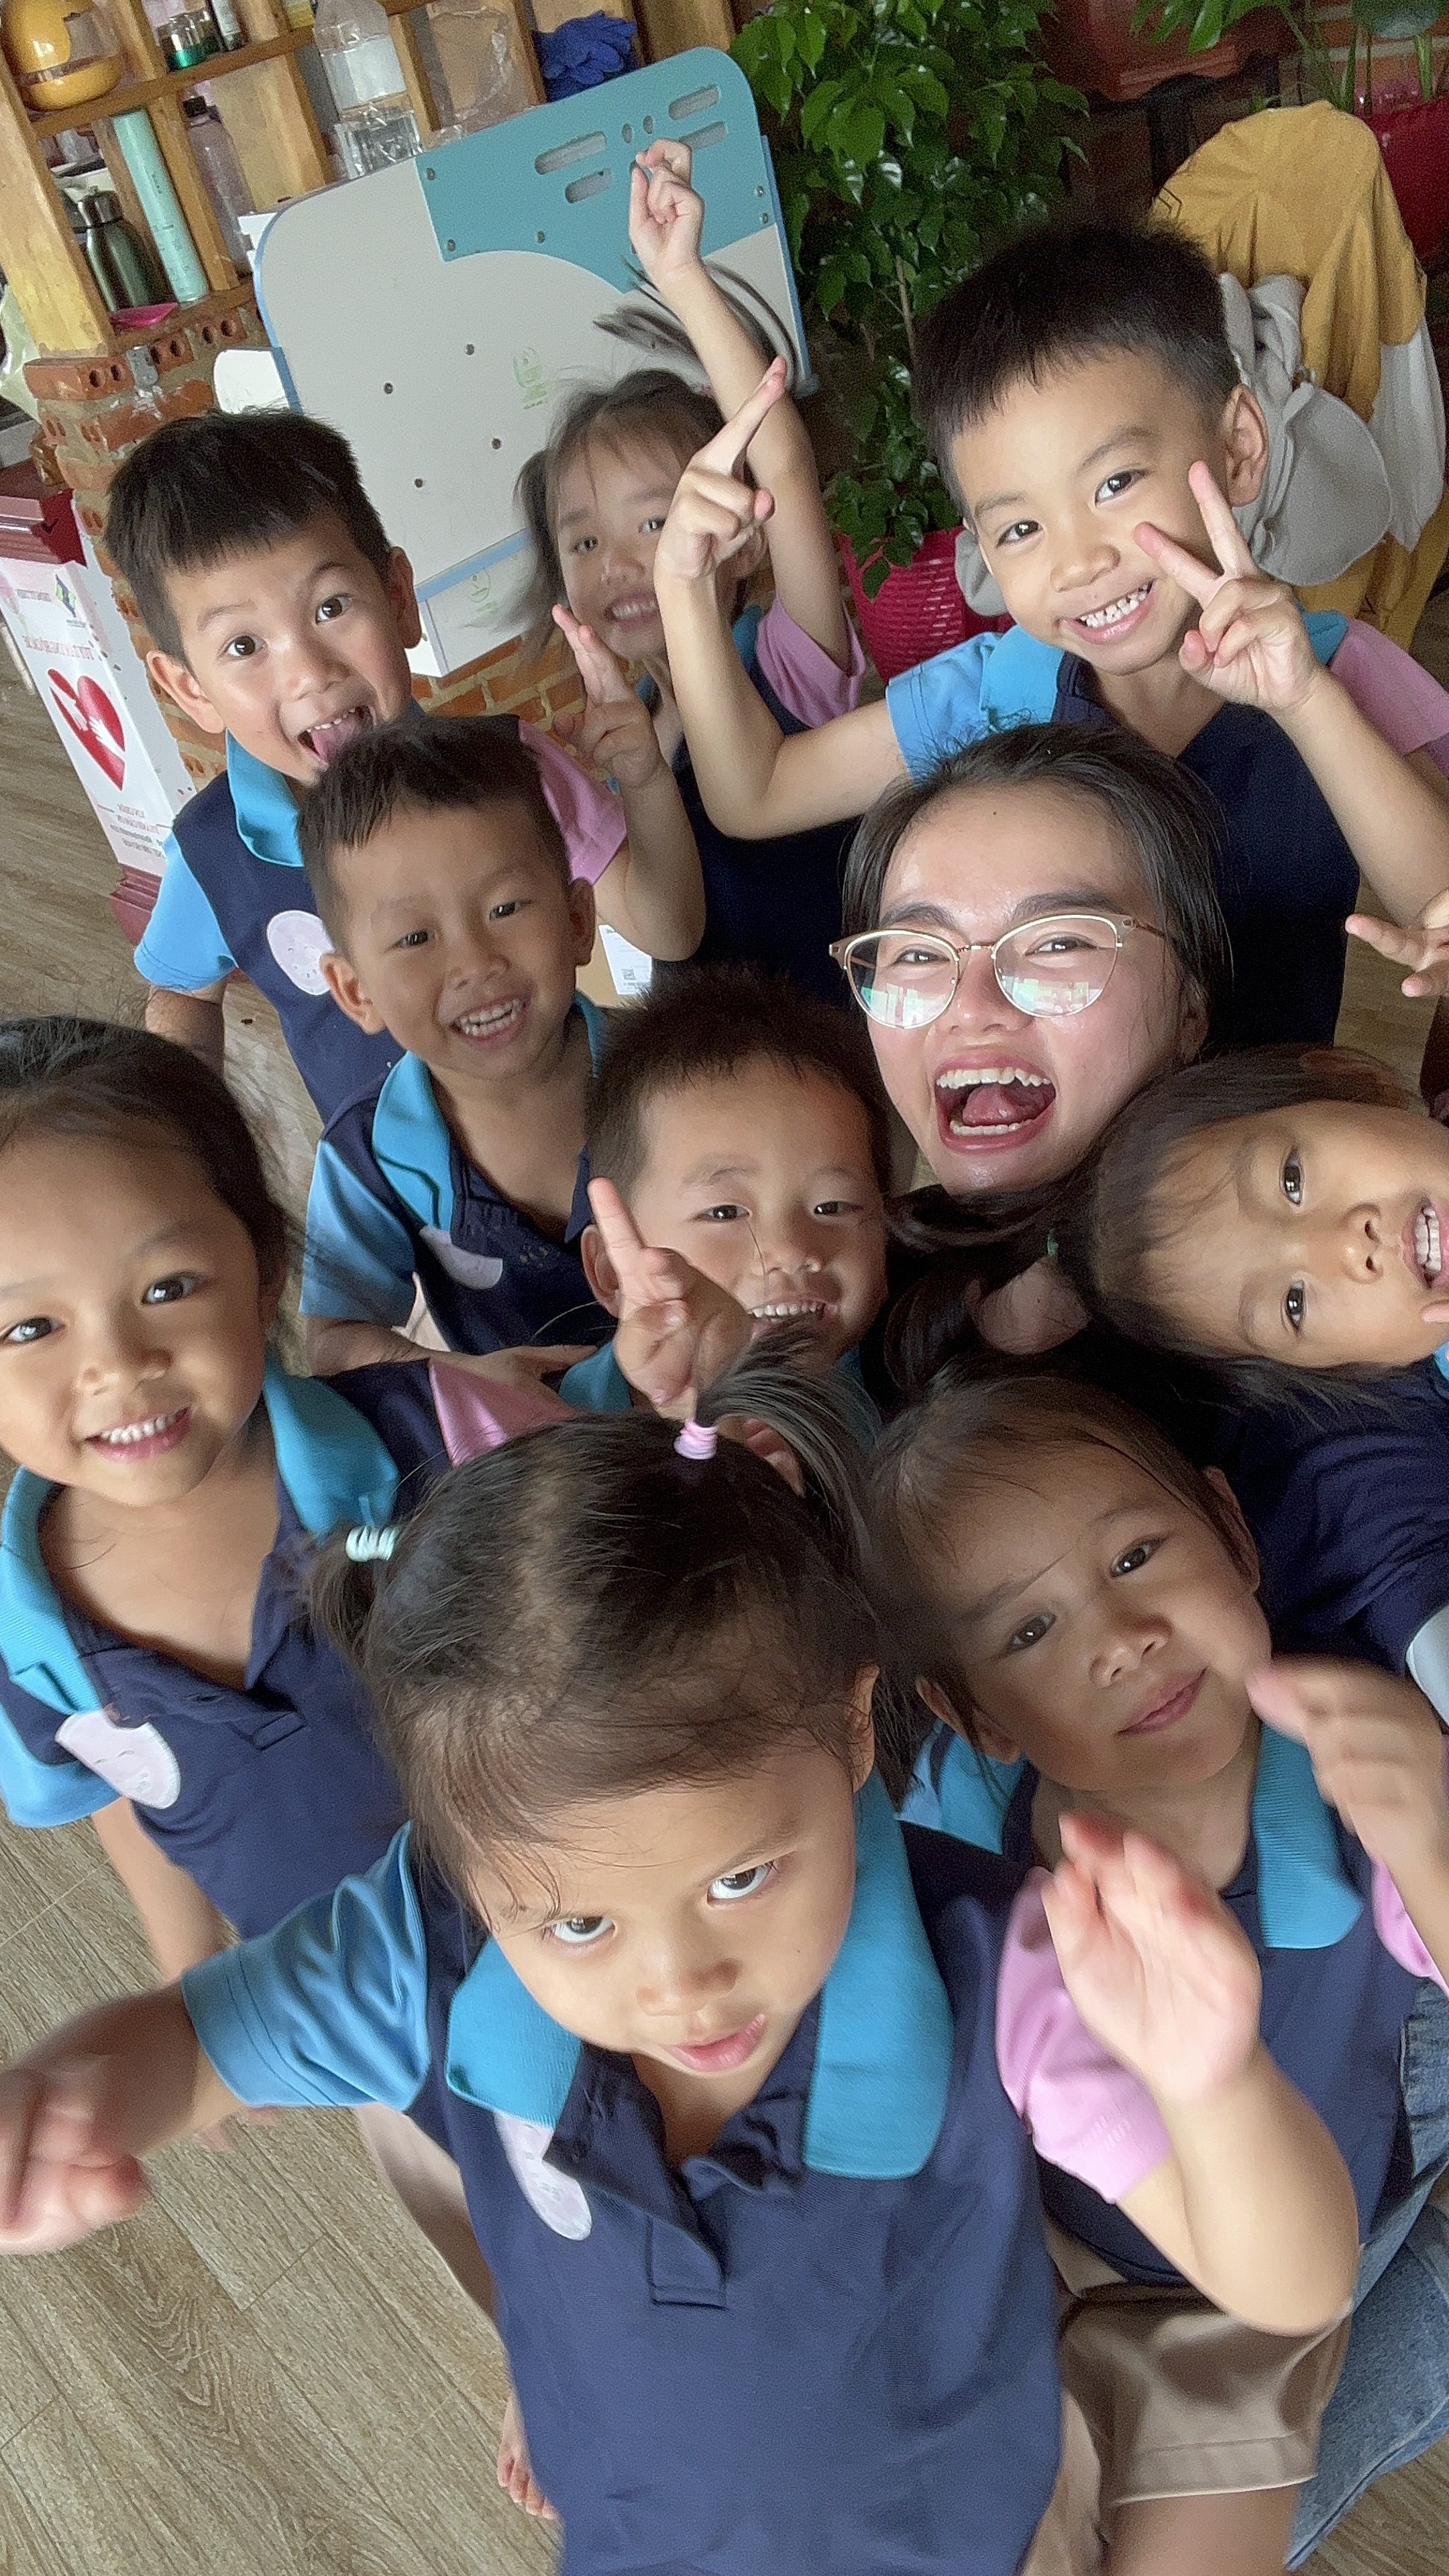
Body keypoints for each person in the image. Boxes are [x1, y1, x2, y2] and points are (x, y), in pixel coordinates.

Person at [0, 1368, 1358, 2576]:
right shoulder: (431, 1942)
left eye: (739, 1879)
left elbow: (1290, 2288)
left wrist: (1215, 2080)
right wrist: (66, 2097)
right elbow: (194, 2042)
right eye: (579, 1927)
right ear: (460, 1863)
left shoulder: (996, 1972)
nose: (685, 1982)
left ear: (844, 1730)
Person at [0, 1013, 549, 2298]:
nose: (119, 1366)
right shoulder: (33, 1639)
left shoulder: (435, 1445)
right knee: (448, 2164)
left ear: (263, 1268)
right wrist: (192, 1962)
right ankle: (543, 2341)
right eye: (29, 1331)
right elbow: (123, 1794)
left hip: (585, 1905)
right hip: (356, 1986)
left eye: (166, 1287)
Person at [871, 1369, 1449, 2574]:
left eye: (1135, 1556)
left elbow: (1283, 2287)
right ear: (976, 1716)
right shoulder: (979, 1853)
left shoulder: (1356, 1774)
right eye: (1030, 1632)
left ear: (1233, 1535)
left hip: (1243, 2305)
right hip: (1015, 2253)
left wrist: (1434, 1837)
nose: (1122, 1640)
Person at [653, 217, 1449, 1051]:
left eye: (1115, 482)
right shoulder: (1003, 694)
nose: (1079, 561)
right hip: (1081, 1164)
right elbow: (754, 793)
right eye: (1021, 530)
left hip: (1274, 1154)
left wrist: (1308, 705)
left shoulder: (1341, 673)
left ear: (1240, 445)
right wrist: (682, 587)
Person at [105, 409, 702, 1122]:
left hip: (584, 1160)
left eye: (331, 607)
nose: (309, 672)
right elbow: (179, 991)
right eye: (243, 647)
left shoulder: (512, 771)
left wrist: (642, 778)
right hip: (396, 1216)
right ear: (188, 688)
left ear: (397, 600)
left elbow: (669, 930)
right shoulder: (212, 852)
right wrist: (195, 1144)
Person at [516, 140, 865, 1002]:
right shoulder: (624, 736)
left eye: (655, 521)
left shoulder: (790, 668)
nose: (624, 563)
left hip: (860, 1058)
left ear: (745, 537)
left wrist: (680, 275)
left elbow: (780, 459)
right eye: (585, 543)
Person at [297, 715, 612, 1374]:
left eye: (506, 909)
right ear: (357, 992)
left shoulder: (674, 1071)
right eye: (416, 938)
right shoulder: (367, 1160)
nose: (474, 963)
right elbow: (333, 1338)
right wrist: (462, 1379)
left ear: (578, 921)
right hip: (538, 1456)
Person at [559, 963, 890, 1421]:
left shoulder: (906, 1390)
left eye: (831, 1206)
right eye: (724, 1212)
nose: (790, 1251)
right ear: (611, 1272)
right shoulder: (567, 1427)